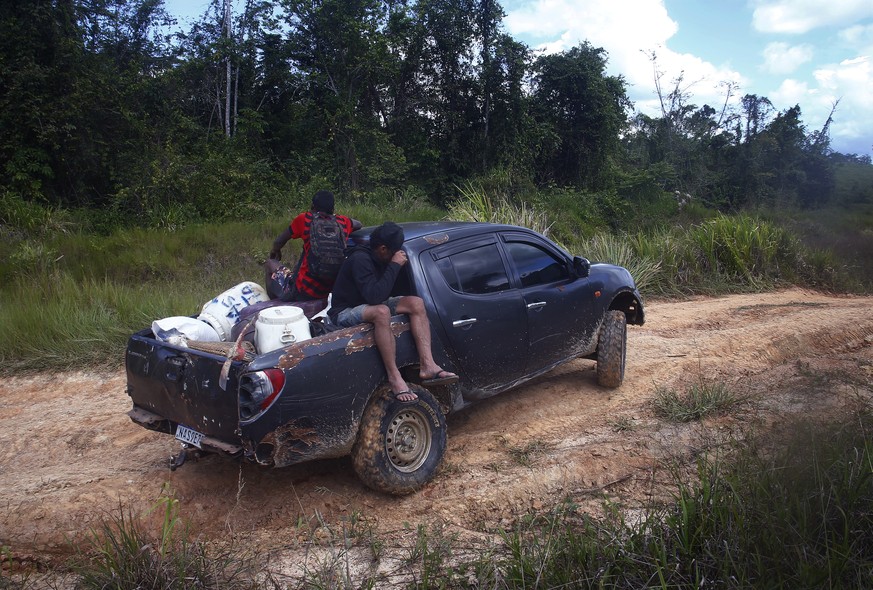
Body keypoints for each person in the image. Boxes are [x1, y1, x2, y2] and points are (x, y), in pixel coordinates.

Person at [329, 221, 459, 402]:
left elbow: (385, 292)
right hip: (344, 311)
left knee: (416, 303)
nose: (397, 254)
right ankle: (394, 376)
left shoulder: (381, 258)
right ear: (383, 249)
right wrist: (395, 265)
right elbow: (374, 297)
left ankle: (428, 365)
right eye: (394, 251)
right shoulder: (360, 259)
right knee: (381, 312)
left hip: (369, 302)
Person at [266, 190, 361, 301]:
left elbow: (279, 241)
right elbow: (358, 224)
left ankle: (273, 303)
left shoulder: (305, 219)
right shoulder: (342, 222)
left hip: (304, 291)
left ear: (312, 206)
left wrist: (275, 251)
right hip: (331, 290)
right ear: (332, 208)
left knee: (270, 263)